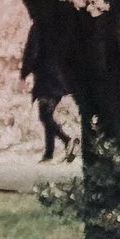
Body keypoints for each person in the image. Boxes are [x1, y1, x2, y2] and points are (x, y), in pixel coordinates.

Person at [20, 22, 75, 162]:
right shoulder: (61, 26)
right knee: (47, 114)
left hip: (46, 78)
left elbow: (31, 51)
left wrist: (24, 73)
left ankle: (67, 141)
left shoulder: (39, 26)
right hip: (61, 76)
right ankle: (49, 153)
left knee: (45, 115)